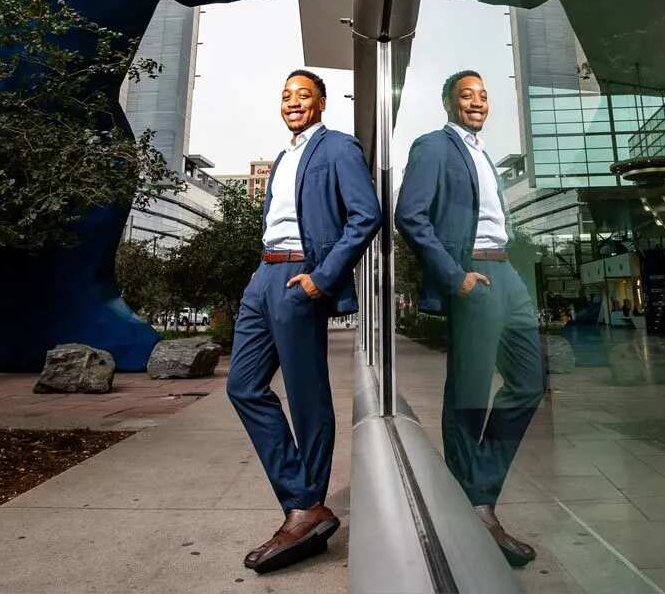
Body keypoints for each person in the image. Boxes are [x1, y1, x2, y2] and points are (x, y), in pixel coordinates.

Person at [228, 69, 380, 574]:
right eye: (286, 96)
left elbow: (366, 214)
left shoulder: (337, 148)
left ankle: (303, 511)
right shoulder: (282, 157)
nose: (293, 102)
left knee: (307, 395)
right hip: (264, 275)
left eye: (303, 95)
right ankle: (304, 502)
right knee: (243, 385)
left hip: (301, 276)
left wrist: (322, 277)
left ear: (321, 102)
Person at [395, 69, 544, 568]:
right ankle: (479, 507)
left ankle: (473, 486)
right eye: (466, 95)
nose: (477, 102)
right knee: (470, 393)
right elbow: (410, 215)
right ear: (447, 101)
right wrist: (455, 275)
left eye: (483, 96)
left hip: (507, 275)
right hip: (473, 273)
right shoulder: (434, 146)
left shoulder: (482, 153)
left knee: (529, 381)